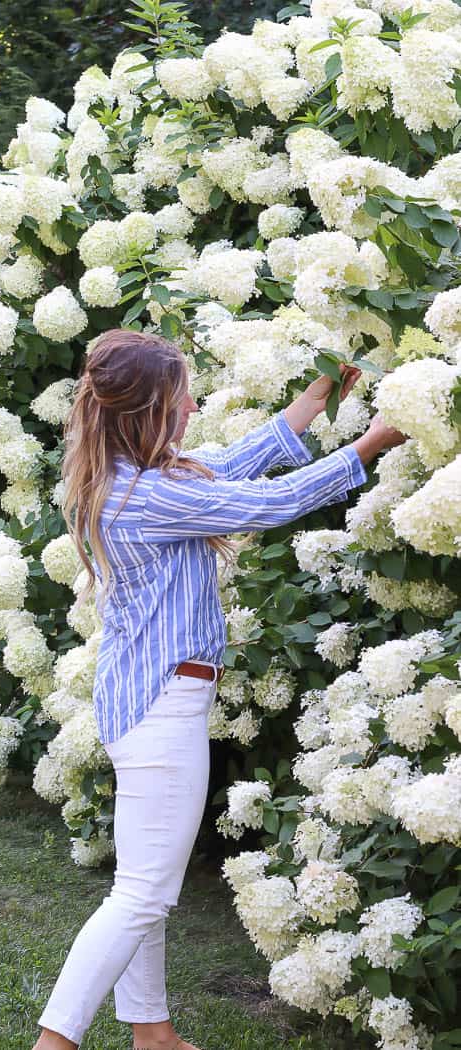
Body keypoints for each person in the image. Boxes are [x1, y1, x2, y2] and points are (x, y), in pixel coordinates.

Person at [32, 329, 407, 1050]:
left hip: (146, 700)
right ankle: (55, 1043)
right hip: (162, 706)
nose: (195, 406)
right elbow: (258, 506)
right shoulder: (140, 496)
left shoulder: (131, 476)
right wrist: (369, 446)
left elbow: (232, 466)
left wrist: (315, 398)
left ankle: (155, 1037)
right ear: (148, 411)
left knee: (145, 885)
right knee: (141, 894)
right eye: (182, 398)